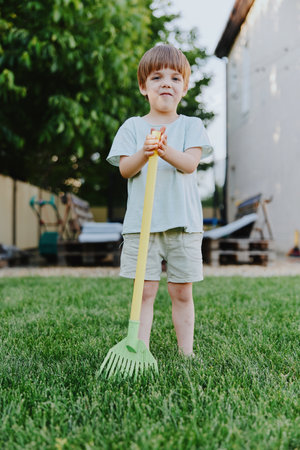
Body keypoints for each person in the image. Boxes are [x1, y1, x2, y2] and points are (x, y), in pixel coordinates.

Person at [107, 44, 213, 356]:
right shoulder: (133, 127)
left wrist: (163, 150)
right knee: (145, 291)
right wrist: (145, 150)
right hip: (143, 226)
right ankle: (139, 350)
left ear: (185, 87)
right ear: (144, 87)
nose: (166, 83)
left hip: (183, 225)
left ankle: (186, 353)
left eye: (174, 78)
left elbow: (189, 164)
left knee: (181, 291)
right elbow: (126, 169)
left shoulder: (191, 126)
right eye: (157, 77)